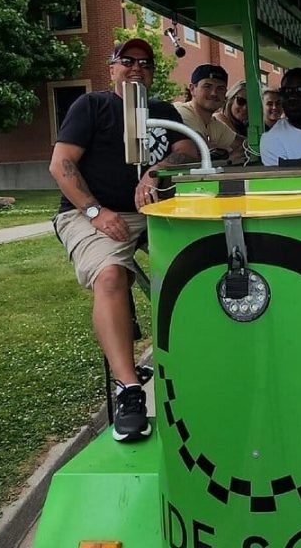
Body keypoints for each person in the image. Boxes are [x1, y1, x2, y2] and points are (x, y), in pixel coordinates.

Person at [49, 38, 198, 442]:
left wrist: (157, 170)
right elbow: (61, 165)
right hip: (91, 212)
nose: (136, 68)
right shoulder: (92, 106)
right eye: (127, 61)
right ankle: (130, 390)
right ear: (112, 68)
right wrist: (96, 212)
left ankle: (208, 357)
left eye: (145, 63)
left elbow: (186, 150)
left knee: (206, 260)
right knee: (111, 277)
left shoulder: (164, 112)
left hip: (154, 211)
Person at [176, 64, 245, 162]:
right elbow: (197, 152)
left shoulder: (214, 124)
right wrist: (227, 158)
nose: (214, 93)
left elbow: (245, 145)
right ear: (192, 89)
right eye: (207, 86)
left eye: (220, 88)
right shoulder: (182, 113)